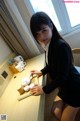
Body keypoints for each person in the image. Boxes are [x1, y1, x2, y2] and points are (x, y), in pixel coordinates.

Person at [30, 11, 80, 121]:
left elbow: (62, 77)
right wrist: (42, 72)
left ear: (51, 27)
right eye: (37, 34)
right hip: (64, 87)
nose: (42, 37)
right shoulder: (48, 44)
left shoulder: (60, 46)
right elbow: (51, 63)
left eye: (44, 31)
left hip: (75, 87)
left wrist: (43, 89)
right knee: (55, 112)